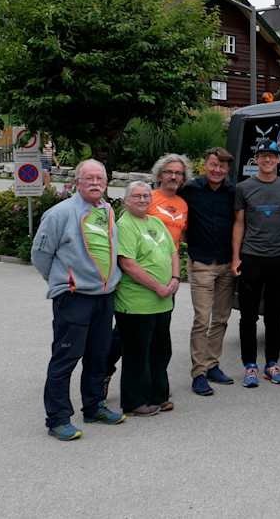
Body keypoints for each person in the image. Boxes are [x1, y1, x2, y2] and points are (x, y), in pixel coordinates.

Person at [32, 159, 127, 441]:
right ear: (77, 182)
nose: (96, 183)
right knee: (66, 358)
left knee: (98, 356)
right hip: (74, 298)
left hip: (103, 297)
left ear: (107, 182)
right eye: (89, 178)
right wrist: (62, 281)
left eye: (100, 178)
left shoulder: (107, 210)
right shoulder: (59, 213)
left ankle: (93, 406)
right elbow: (40, 254)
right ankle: (58, 419)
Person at [102, 153, 191, 399]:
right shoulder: (147, 202)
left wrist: (174, 277)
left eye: (179, 173)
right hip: (140, 287)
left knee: (157, 341)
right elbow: (128, 250)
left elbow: (176, 242)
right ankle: (104, 372)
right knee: (127, 339)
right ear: (159, 174)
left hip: (165, 282)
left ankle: (154, 388)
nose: (174, 176)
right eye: (169, 172)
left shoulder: (183, 204)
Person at [232, 140, 280, 388]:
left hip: (279, 258)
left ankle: (272, 363)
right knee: (248, 316)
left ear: (279, 159)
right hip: (251, 256)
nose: (267, 160)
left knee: (274, 314)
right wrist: (236, 256)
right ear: (256, 160)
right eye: (262, 156)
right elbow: (238, 223)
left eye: (272, 156)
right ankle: (250, 366)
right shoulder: (243, 187)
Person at [113, 181, 178, 417]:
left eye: (146, 196)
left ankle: (158, 396)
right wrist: (158, 287)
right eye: (137, 196)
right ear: (126, 200)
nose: (142, 200)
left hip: (162, 301)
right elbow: (127, 264)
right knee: (137, 354)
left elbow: (172, 252)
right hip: (137, 303)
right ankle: (135, 401)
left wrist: (175, 277)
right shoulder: (125, 225)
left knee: (161, 350)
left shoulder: (156, 222)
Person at [179, 147, 238, 396]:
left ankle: (213, 364)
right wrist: (187, 243)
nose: (217, 170)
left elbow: (238, 223)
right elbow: (177, 218)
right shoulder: (191, 189)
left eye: (222, 166)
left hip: (226, 263)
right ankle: (199, 372)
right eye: (213, 164)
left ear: (227, 169)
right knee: (202, 319)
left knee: (222, 318)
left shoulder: (232, 191)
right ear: (206, 164)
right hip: (202, 263)